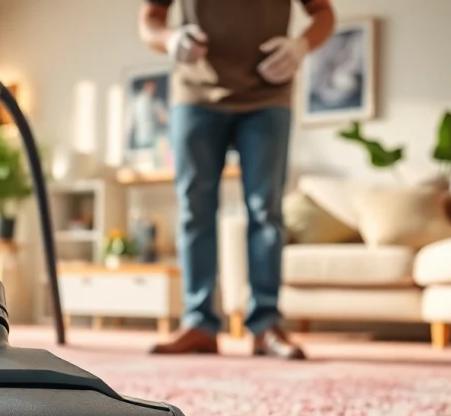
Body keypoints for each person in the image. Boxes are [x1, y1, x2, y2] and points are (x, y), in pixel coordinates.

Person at [138, 0, 336, 360]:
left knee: (266, 210)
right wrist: (169, 39)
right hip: (195, 95)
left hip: (268, 95)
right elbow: (150, 19)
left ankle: (266, 325)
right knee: (195, 209)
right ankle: (199, 323)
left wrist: (300, 45)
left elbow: (324, 13)